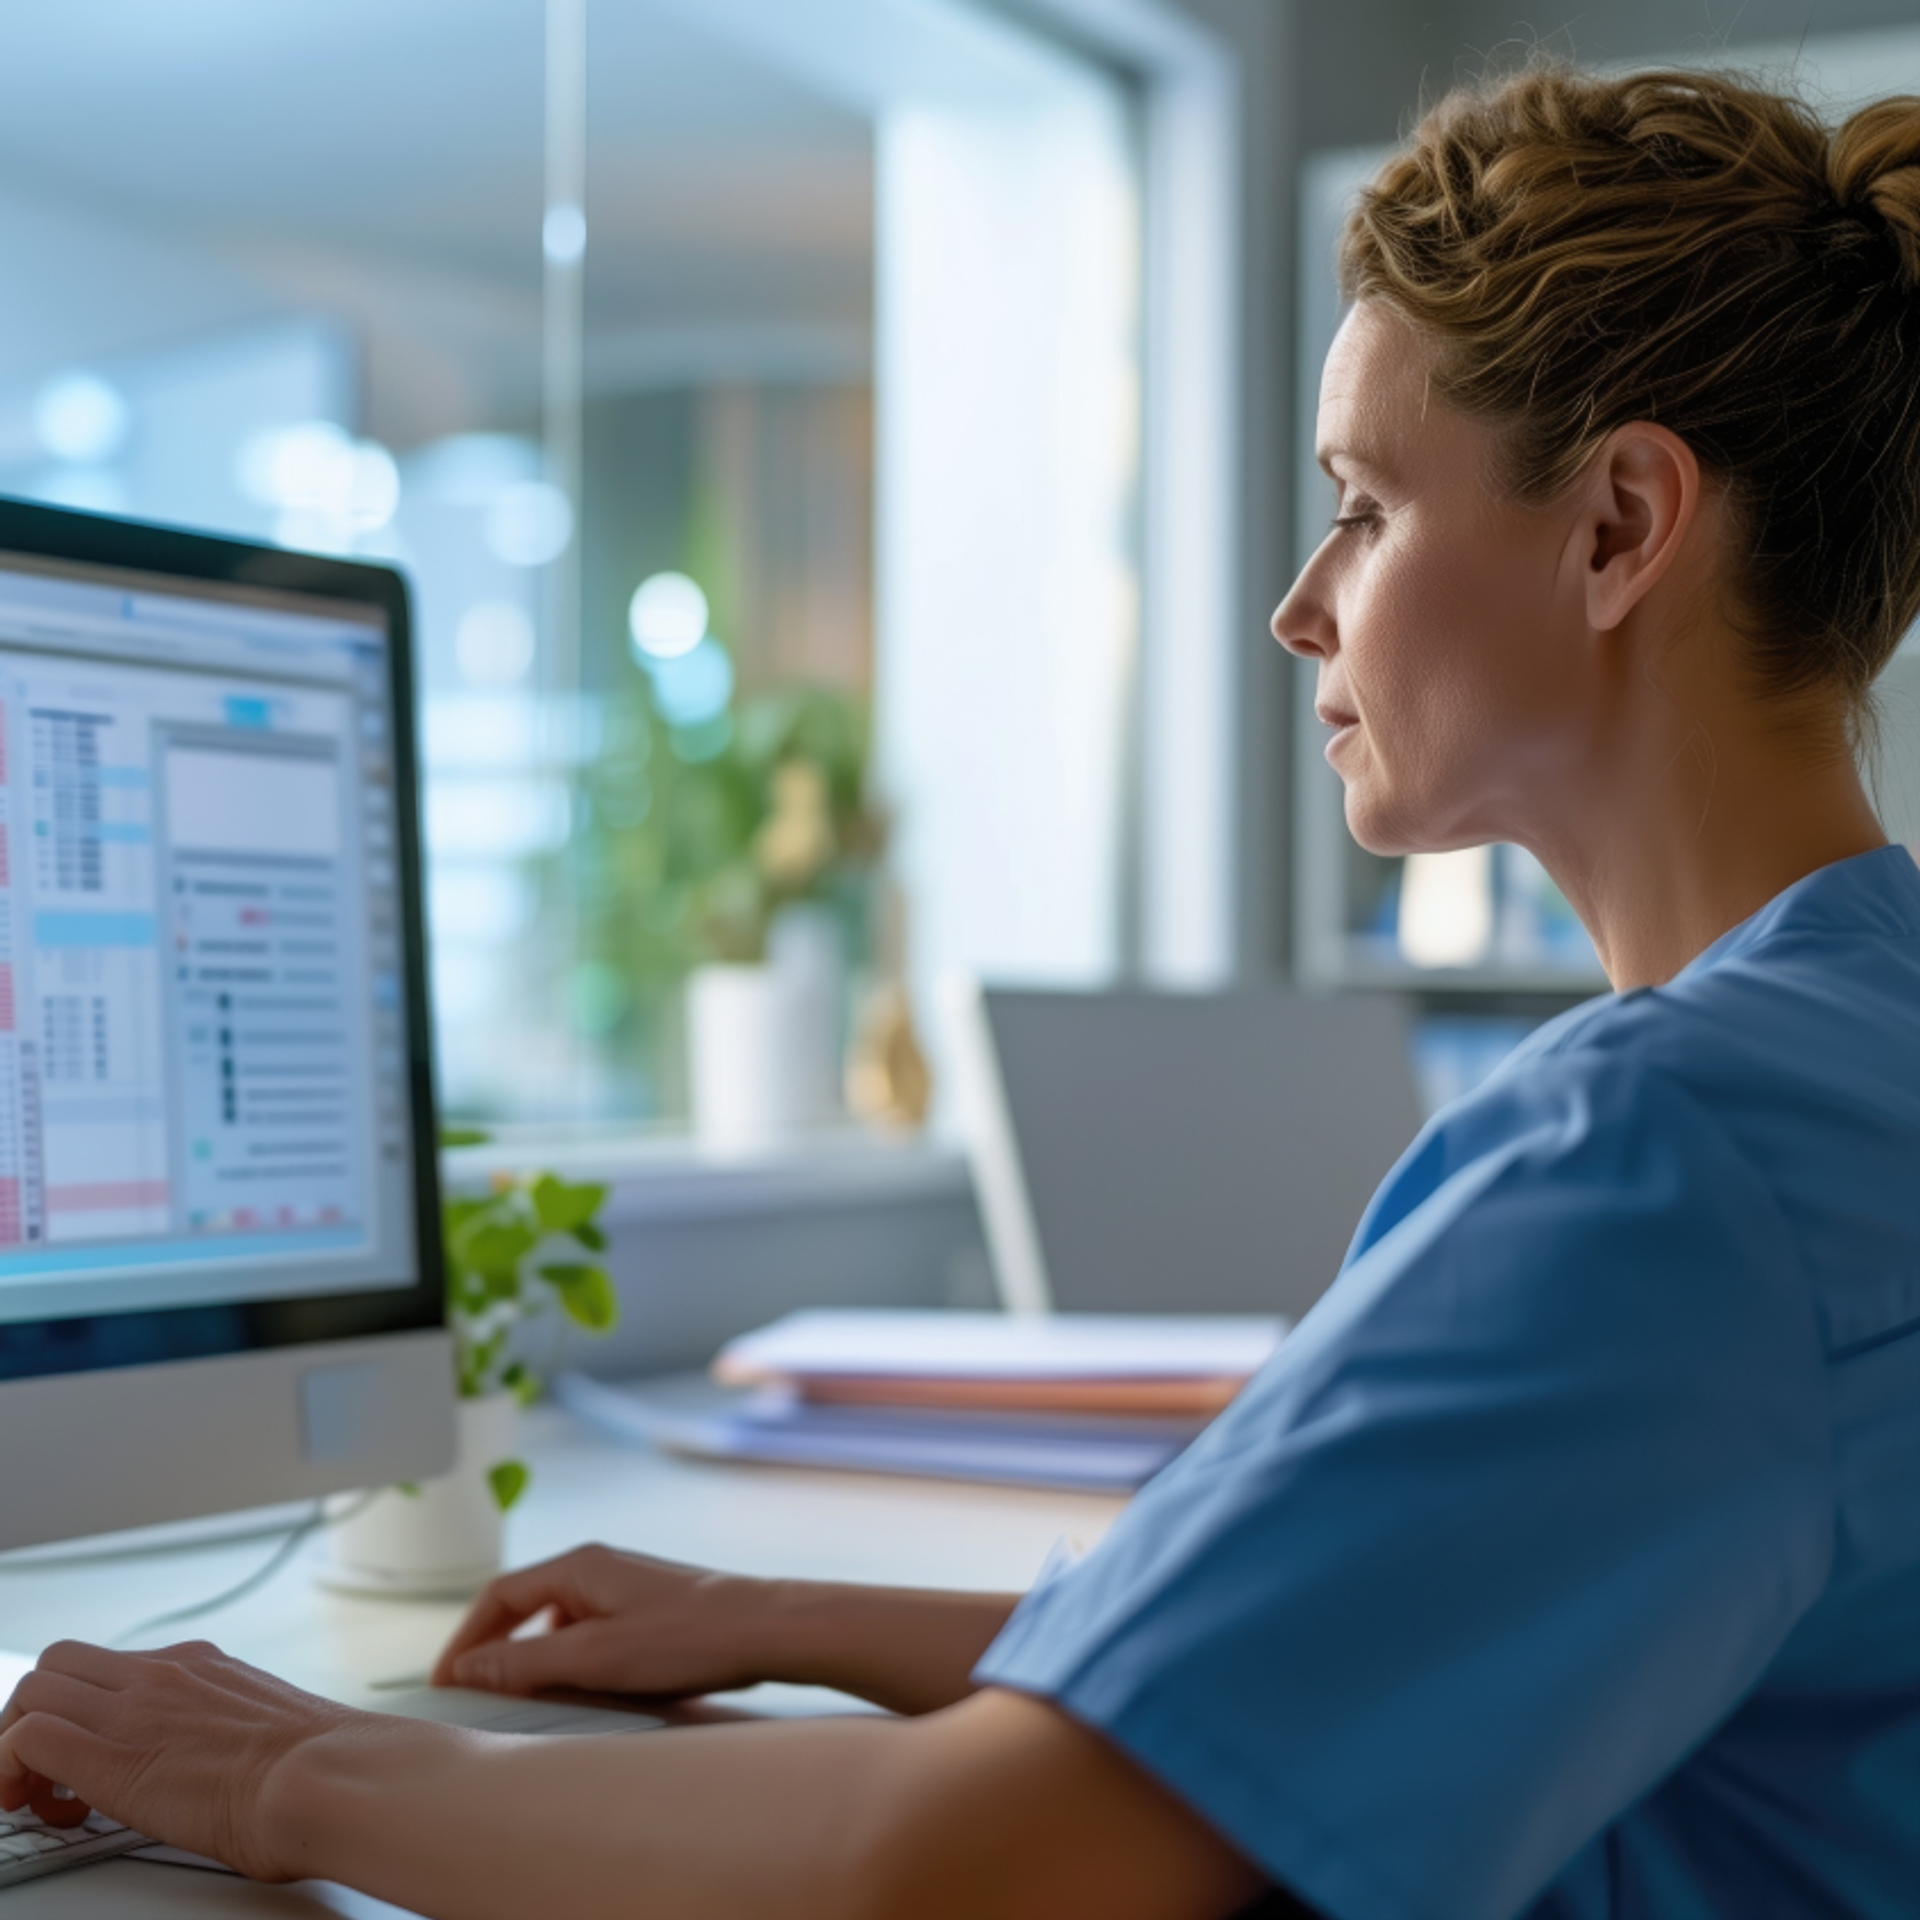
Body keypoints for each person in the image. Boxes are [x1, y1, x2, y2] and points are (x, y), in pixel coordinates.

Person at [4, 59, 1918, 1920]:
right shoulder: (1850, 1048)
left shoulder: (1662, 1161)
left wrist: (282, 1774)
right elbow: (1381, 1625)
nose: (1300, 602)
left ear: (1619, 526)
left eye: (1362, 502)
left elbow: (963, 1866)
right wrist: (783, 1614)